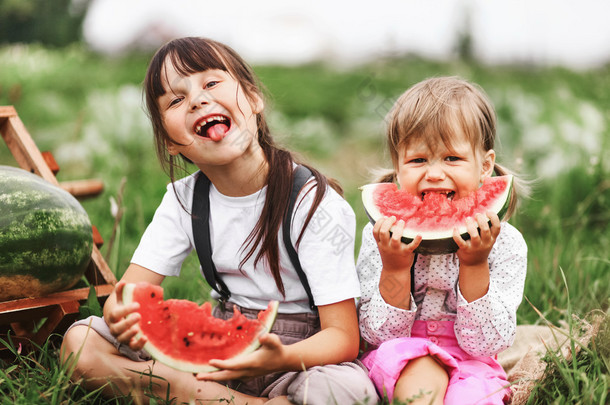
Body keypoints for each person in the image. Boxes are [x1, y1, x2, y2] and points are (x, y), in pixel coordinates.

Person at [61, 36, 376, 405]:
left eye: (211, 83)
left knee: (345, 391)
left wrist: (281, 358)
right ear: (171, 142)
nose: (197, 99)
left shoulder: (310, 200)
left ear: (254, 100)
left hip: (300, 356)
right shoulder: (184, 199)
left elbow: (342, 337)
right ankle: (191, 392)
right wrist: (119, 317)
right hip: (215, 349)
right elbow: (126, 295)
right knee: (79, 342)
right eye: (176, 100)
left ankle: (191, 394)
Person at [357, 76, 528, 404]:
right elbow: (378, 337)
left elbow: (488, 344)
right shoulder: (380, 236)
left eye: (452, 158)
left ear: (485, 166)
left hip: (473, 365)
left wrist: (475, 264)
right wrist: (394, 269)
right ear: (397, 169)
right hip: (403, 356)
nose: (434, 173)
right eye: (418, 160)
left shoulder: (506, 243)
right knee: (420, 373)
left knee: (473, 397)